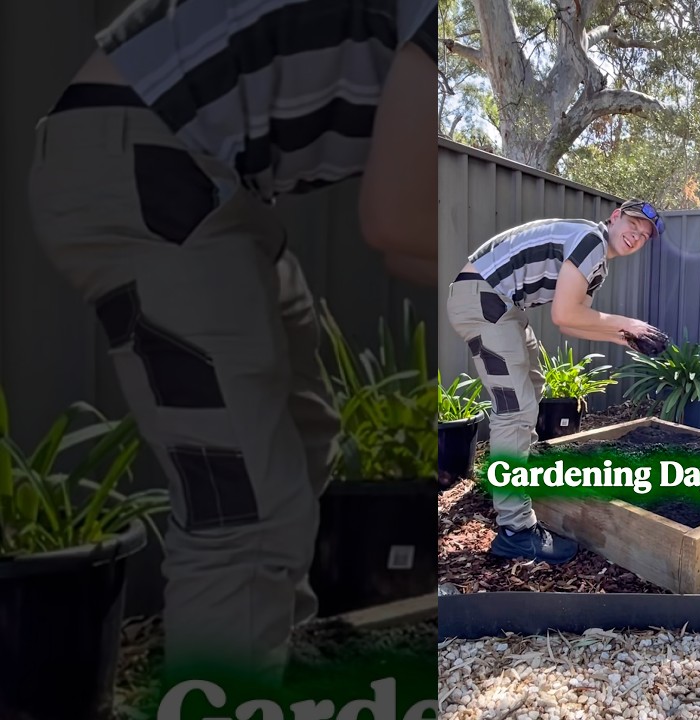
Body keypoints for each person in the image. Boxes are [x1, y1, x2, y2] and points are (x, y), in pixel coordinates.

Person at [25, 0, 438, 685]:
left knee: (302, 437)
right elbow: (395, 220)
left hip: (200, 176)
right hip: (144, 156)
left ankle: (268, 665)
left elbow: (406, 244)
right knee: (241, 514)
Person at [446, 200, 668, 564]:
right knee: (515, 409)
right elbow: (564, 312)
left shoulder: (597, 265)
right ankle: (515, 531)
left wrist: (625, 338)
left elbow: (572, 322)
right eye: (633, 224)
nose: (637, 236)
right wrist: (630, 323)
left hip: (503, 304)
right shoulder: (591, 240)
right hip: (484, 298)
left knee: (532, 383)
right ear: (615, 217)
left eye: (644, 236)